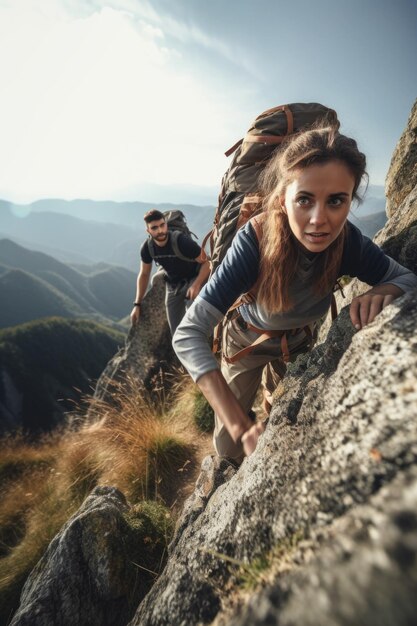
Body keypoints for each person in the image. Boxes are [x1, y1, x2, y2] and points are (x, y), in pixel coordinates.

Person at [173, 124, 417, 463]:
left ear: (350, 200)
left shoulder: (349, 243)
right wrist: (239, 425)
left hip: (300, 342)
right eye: (304, 199)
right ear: (282, 199)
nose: (320, 220)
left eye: (336, 201)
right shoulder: (253, 243)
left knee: (277, 414)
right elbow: (187, 334)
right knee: (228, 446)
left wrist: (386, 289)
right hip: (248, 341)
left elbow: (405, 278)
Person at [131, 209, 210, 335]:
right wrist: (137, 304)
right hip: (173, 285)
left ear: (166, 224)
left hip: (194, 277)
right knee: (176, 331)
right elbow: (144, 274)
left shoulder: (181, 241)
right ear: (148, 230)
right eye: (154, 228)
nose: (160, 230)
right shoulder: (147, 248)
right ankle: (181, 352)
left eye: (162, 225)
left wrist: (197, 284)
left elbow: (207, 262)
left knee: (195, 322)